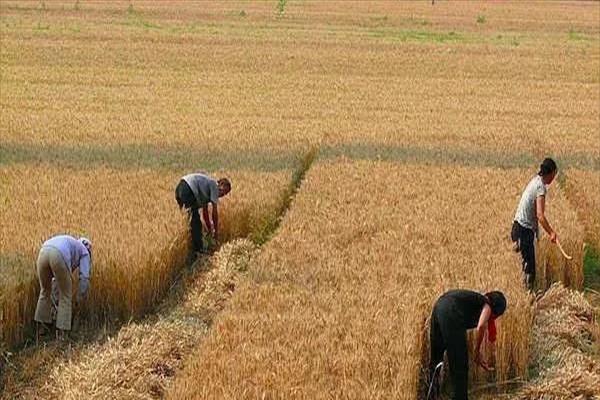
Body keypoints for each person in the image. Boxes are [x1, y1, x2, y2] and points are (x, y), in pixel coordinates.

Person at [429, 289, 507, 400]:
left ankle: (432, 395)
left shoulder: (477, 299)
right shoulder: (488, 304)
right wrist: (477, 352)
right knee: (460, 364)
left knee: (436, 359)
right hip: (451, 312)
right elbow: (481, 326)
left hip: (438, 307)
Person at [511, 158, 558, 290]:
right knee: (529, 272)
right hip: (524, 232)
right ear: (550, 173)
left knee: (522, 269)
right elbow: (540, 215)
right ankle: (528, 302)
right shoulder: (540, 188)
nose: (553, 179)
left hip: (517, 227)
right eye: (554, 175)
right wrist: (552, 233)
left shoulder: (535, 180)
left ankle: (524, 298)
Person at [34, 235, 92, 340]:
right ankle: (62, 335)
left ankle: (41, 330)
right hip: (58, 255)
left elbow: (56, 280)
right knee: (66, 296)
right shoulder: (85, 252)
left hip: (43, 252)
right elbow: (84, 278)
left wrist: (55, 301)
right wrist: (80, 298)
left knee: (44, 291)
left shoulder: (72, 243)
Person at [175, 173, 231, 259]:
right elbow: (214, 213)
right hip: (188, 189)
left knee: (187, 222)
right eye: (224, 190)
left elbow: (205, 213)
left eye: (225, 193)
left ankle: (191, 251)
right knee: (196, 224)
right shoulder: (214, 185)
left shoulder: (207, 190)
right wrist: (215, 233)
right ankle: (199, 253)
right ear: (220, 184)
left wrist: (209, 229)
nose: (223, 194)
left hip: (179, 188)